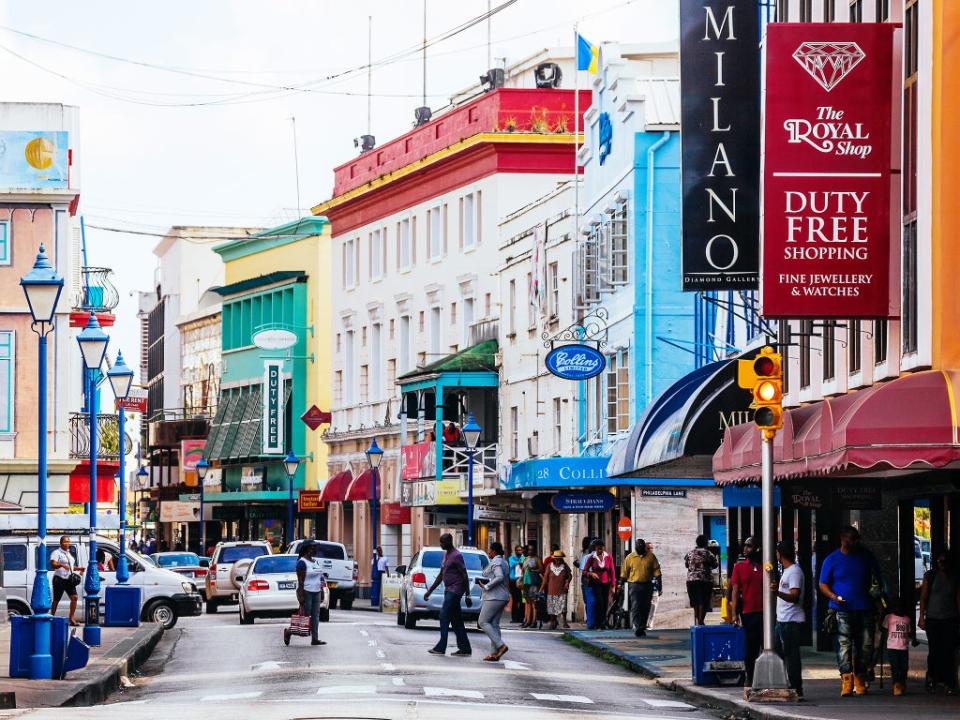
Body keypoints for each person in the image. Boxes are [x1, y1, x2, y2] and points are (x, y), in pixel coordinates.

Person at [818, 525, 882, 697]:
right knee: (844, 646)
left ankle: (860, 676)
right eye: (852, 539)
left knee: (866, 645)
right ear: (843, 539)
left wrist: (879, 598)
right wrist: (833, 597)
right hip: (841, 609)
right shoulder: (831, 559)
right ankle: (847, 679)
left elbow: (878, 578)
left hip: (865, 608)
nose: (855, 542)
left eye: (857, 539)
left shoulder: (866, 556)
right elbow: (822, 584)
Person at [918, 549, 960, 694]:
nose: (942, 564)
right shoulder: (930, 576)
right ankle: (932, 678)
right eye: (940, 561)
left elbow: (957, 598)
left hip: (950, 618)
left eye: (945, 561)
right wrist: (921, 617)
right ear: (936, 562)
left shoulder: (954, 577)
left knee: (948, 650)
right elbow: (923, 597)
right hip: (933, 618)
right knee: (934, 650)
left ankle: (948, 681)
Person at [424, 533, 472, 656]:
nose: (441, 545)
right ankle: (465, 648)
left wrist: (467, 594)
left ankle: (441, 646)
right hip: (448, 590)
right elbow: (441, 574)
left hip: (455, 591)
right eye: (440, 542)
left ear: (449, 542)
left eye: (443, 542)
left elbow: (464, 574)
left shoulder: (457, 556)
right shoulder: (446, 555)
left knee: (444, 615)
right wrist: (430, 591)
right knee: (456, 620)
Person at [771, 542, 805, 697]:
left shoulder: (794, 572)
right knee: (778, 652)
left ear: (780, 554)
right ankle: (785, 683)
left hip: (791, 620)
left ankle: (796, 687)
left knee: (791, 655)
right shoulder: (787, 571)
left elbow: (795, 595)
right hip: (782, 620)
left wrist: (778, 593)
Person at [731, 537, 764, 687]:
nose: (745, 549)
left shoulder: (766, 566)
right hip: (748, 611)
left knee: (768, 645)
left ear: (757, 548)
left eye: (749, 546)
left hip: (765, 612)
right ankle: (749, 677)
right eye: (744, 546)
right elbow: (735, 591)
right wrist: (734, 613)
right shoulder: (739, 567)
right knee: (751, 646)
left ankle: (766, 676)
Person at [622, 538, 662, 637]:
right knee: (636, 606)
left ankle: (642, 626)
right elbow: (624, 573)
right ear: (635, 548)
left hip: (647, 585)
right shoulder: (630, 558)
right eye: (638, 548)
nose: (640, 550)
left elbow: (657, 573)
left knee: (646, 607)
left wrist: (660, 586)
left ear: (644, 547)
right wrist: (620, 584)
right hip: (634, 585)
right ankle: (638, 626)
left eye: (642, 548)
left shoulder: (651, 557)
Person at [477, 541, 510, 661]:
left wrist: (487, 586)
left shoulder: (496, 561)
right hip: (503, 596)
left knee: (483, 622)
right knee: (494, 624)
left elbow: (499, 577)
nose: (488, 552)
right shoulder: (504, 562)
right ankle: (494, 653)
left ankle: (501, 645)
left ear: (494, 551)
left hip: (494, 596)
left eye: (489, 550)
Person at [295, 541, 326, 646]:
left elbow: (320, 577)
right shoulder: (302, 562)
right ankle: (289, 631)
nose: (315, 549)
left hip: (316, 591)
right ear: (308, 549)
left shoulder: (315, 562)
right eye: (313, 547)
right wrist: (301, 595)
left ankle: (315, 639)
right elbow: (300, 581)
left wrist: (321, 590)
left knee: (316, 615)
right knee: (305, 616)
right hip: (306, 591)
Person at [882, 595, 913, 696]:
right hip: (892, 647)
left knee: (904, 667)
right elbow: (883, 629)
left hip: (903, 648)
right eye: (896, 606)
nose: (898, 609)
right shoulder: (889, 617)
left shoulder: (907, 619)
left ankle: (902, 682)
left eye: (900, 606)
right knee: (895, 667)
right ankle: (896, 684)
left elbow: (909, 632)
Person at [685, 534, 719, 626]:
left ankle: (698, 621)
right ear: (705, 543)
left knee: (695, 601)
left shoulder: (690, 553)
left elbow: (686, 565)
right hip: (704, 580)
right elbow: (715, 565)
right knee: (703, 601)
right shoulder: (708, 553)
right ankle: (701, 621)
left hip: (691, 580)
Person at [51, 535, 83, 626]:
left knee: (75, 597)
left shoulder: (68, 554)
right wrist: (61, 565)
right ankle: (51, 617)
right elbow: (53, 564)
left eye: (68, 542)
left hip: (69, 580)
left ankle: (71, 618)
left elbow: (70, 567)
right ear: (61, 543)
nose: (67, 543)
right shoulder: (56, 553)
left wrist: (79, 568)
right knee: (56, 599)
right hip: (59, 579)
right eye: (65, 542)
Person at [584, 539, 616, 630]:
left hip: (606, 584)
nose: (599, 551)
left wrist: (613, 586)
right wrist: (591, 574)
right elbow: (584, 571)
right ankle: (598, 623)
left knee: (605, 602)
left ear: (603, 548)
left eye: (601, 549)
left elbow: (612, 571)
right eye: (598, 549)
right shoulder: (592, 558)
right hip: (596, 584)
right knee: (599, 602)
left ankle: (603, 622)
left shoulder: (608, 557)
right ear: (595, 549)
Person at [540, 550, 572, 630]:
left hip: (562, 589)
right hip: (551, 589)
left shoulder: (564, 566)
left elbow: (569, 575)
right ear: (554, 558)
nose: (558, 560)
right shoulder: (549, 566)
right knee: (552, 607)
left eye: (559, 558)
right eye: (556, 558)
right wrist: (541, 589)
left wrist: (567, 582)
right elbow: (545, 579)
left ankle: (564, 622)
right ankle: (553, 621)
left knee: (563, 606)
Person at [520, 543, 542, 629]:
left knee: (534, 602)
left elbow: (541, 569)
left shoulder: (537, 559)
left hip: (534, 582)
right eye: (529, 549)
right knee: (528, 602)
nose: (530, 551)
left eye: (532, 550)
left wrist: (533, 569)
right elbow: (522, 570)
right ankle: (528, 620)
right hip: (526, 583)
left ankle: (534, 621)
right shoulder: (525, 559)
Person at [577, 538, 596, 629]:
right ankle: (593, 621)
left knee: (589, 602)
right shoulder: (586, 556)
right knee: (593, 601)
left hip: (588, 581)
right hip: (591, 581)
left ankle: (591, 621)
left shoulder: (585, 556)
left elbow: (581, 568)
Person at [508, 545, 525, 623]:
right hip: (513, 581)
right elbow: (512, 564)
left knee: (522, 600)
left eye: (520, 550)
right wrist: (520, 563)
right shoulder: (511, 558)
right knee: (515, 600)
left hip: (522, 580)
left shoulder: (524, 558)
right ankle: (514, 618)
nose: (519, 552)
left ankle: (521, 617)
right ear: (515, 551)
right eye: (517, 550)